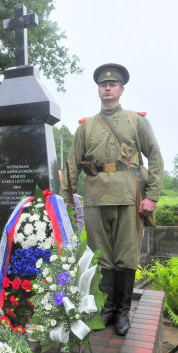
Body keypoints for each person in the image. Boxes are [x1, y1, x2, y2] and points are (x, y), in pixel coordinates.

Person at [62, 64, 163, 335]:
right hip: (96, 197)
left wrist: (152, 196)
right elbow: (72, 165)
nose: (107, 87)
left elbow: (154, 155)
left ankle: (122, 312)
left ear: (121, 89)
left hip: (129, 196)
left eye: (113, 84)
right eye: (103, 84)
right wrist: (67, 199)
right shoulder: (86, 127)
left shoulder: (135, 120)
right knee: (100, 256)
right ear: (98, 90)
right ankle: (106, 308)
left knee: (126, 257)